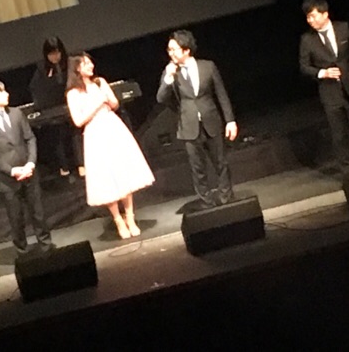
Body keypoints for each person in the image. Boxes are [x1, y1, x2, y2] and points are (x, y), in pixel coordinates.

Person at [66, 53, 155, 239]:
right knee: (106, 176)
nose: (91, 65)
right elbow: (78, 120)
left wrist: (109, 98)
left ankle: (130, 217)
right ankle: (118, 219)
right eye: (86, 63)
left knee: (123, 172)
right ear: (77, 69)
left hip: (112, 126)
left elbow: (114, 104)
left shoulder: (99, 82)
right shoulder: (73, 93)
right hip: (94, 133)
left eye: (90, 62)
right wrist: (97, 103)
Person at [156, 30, 238, 207]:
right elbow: (161, 98)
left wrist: (230, 120)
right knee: (197, 168)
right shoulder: (171, 72)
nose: (171, 53)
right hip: (188, 125)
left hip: (211, 120)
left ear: (186, 50)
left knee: (221, 162)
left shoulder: (208, 66)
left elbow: (221, 94)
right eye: (169, 50)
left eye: (174, 49)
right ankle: (206, 201)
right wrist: (168, 78)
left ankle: (226, 197)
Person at [0, 79, 53, 255]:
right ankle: (22, 252)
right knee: (16, 219)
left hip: (29, 172)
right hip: (8, 179)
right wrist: (12, 171)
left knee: (39, 214)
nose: (7, 94)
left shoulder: (17, 113)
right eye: (1, 92)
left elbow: (30, 138)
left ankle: (47, 248)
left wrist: (31, 163)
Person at [300, 0, 349, 176]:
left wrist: (348, 71)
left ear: (325, 14)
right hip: (329, 92)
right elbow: (304, 66)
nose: (310, 20)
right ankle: (347, 170)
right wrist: (323, 73)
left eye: (313, 16)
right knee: (339, 134)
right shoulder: (307, 39)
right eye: (308, 17)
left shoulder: (344, 28)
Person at [28, 37, 84, 178]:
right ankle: (64, 166)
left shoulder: (70, 64)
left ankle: (81, 164)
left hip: (72, 105)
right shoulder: (42, 69)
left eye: (57, 53)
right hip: (53, 110)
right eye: (51, 54)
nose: (55, 57)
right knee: (57, 137)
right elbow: (35, 89)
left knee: (76, 134)